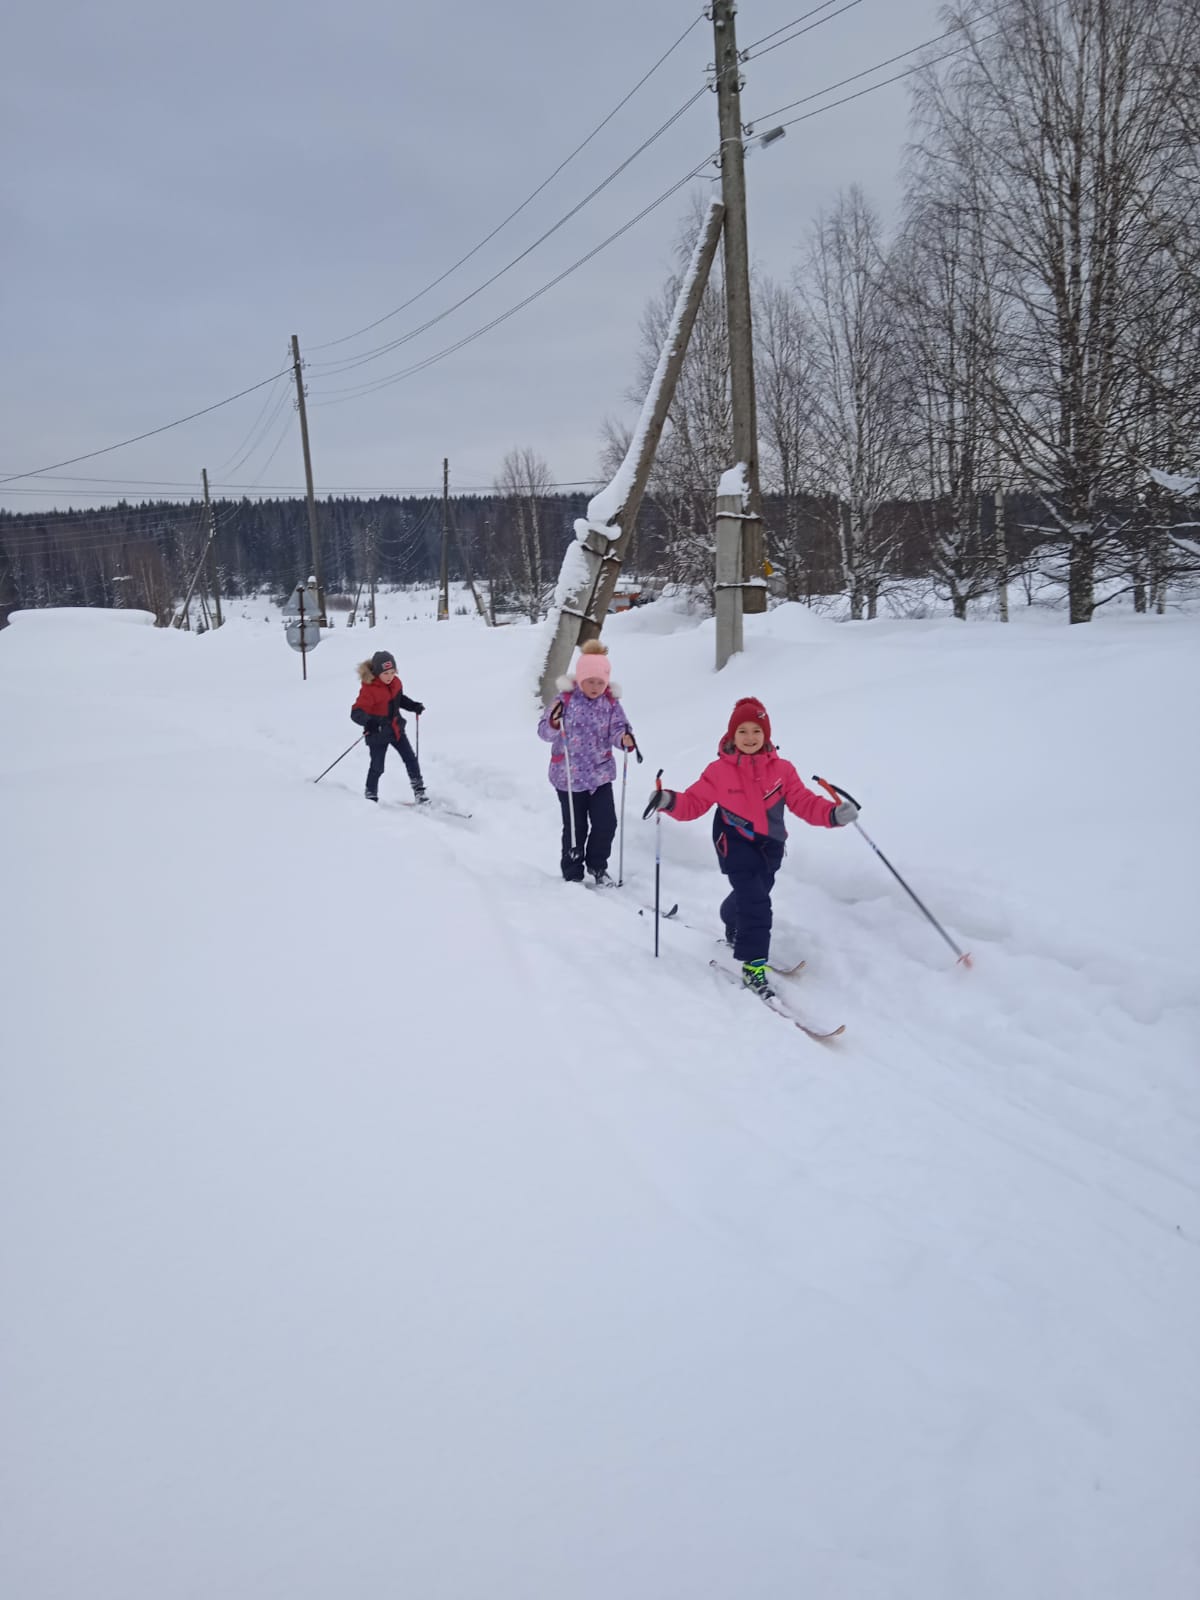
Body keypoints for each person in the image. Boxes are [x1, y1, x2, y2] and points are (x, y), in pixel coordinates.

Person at [643, 696, 858, 998]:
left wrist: (833, 815)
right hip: (734, 842)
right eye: (742, 731)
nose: (749, 737)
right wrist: (668, 800)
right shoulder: (718, 771)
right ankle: (753, 965)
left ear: (766, 735)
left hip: (770, 846)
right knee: (757, 902)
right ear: (732, 735)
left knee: (754, 895)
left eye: (756, 731)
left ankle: (730, 917)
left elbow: (804, 802)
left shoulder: (782, 770)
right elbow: (694, 803)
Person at [537, 639, 637, 885]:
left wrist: (624, 739)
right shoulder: (565, 701)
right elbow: (544, 733)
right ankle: (573, 872)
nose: (595, 687)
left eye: (600, 682)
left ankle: (597, 865)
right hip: (568, 776)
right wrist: (554, 723)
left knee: (607, 823)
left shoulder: (610, 703)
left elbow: (618, 729)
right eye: (590, 681)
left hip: (600, 775)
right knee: (575, 828)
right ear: (580, 678)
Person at [350, 650, 427, 803]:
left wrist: (413, 706)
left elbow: (399, 699)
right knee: (377, 766)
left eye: (392, 672)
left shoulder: (396, 683)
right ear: (377, 673)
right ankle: (371, 794)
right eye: (385, 673)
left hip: (396, 729)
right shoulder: (369, 689)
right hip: (377, 733)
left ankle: (419, 792)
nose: (389, 676)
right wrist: (369, 722)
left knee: (410, 759)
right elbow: (356, 712)